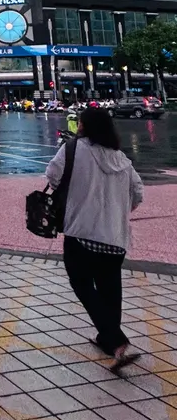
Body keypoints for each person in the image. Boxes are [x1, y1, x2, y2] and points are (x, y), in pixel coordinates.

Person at [46, 107, 143, 373]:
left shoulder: (73, 149)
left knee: (82, 284)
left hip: (81, 233)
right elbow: (138, 193)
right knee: (110, 287)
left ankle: (115, 339)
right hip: (115, 237)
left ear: (84, 126)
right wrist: (117, 211)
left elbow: (52, 176)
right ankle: (107, 338)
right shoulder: (121, 158)